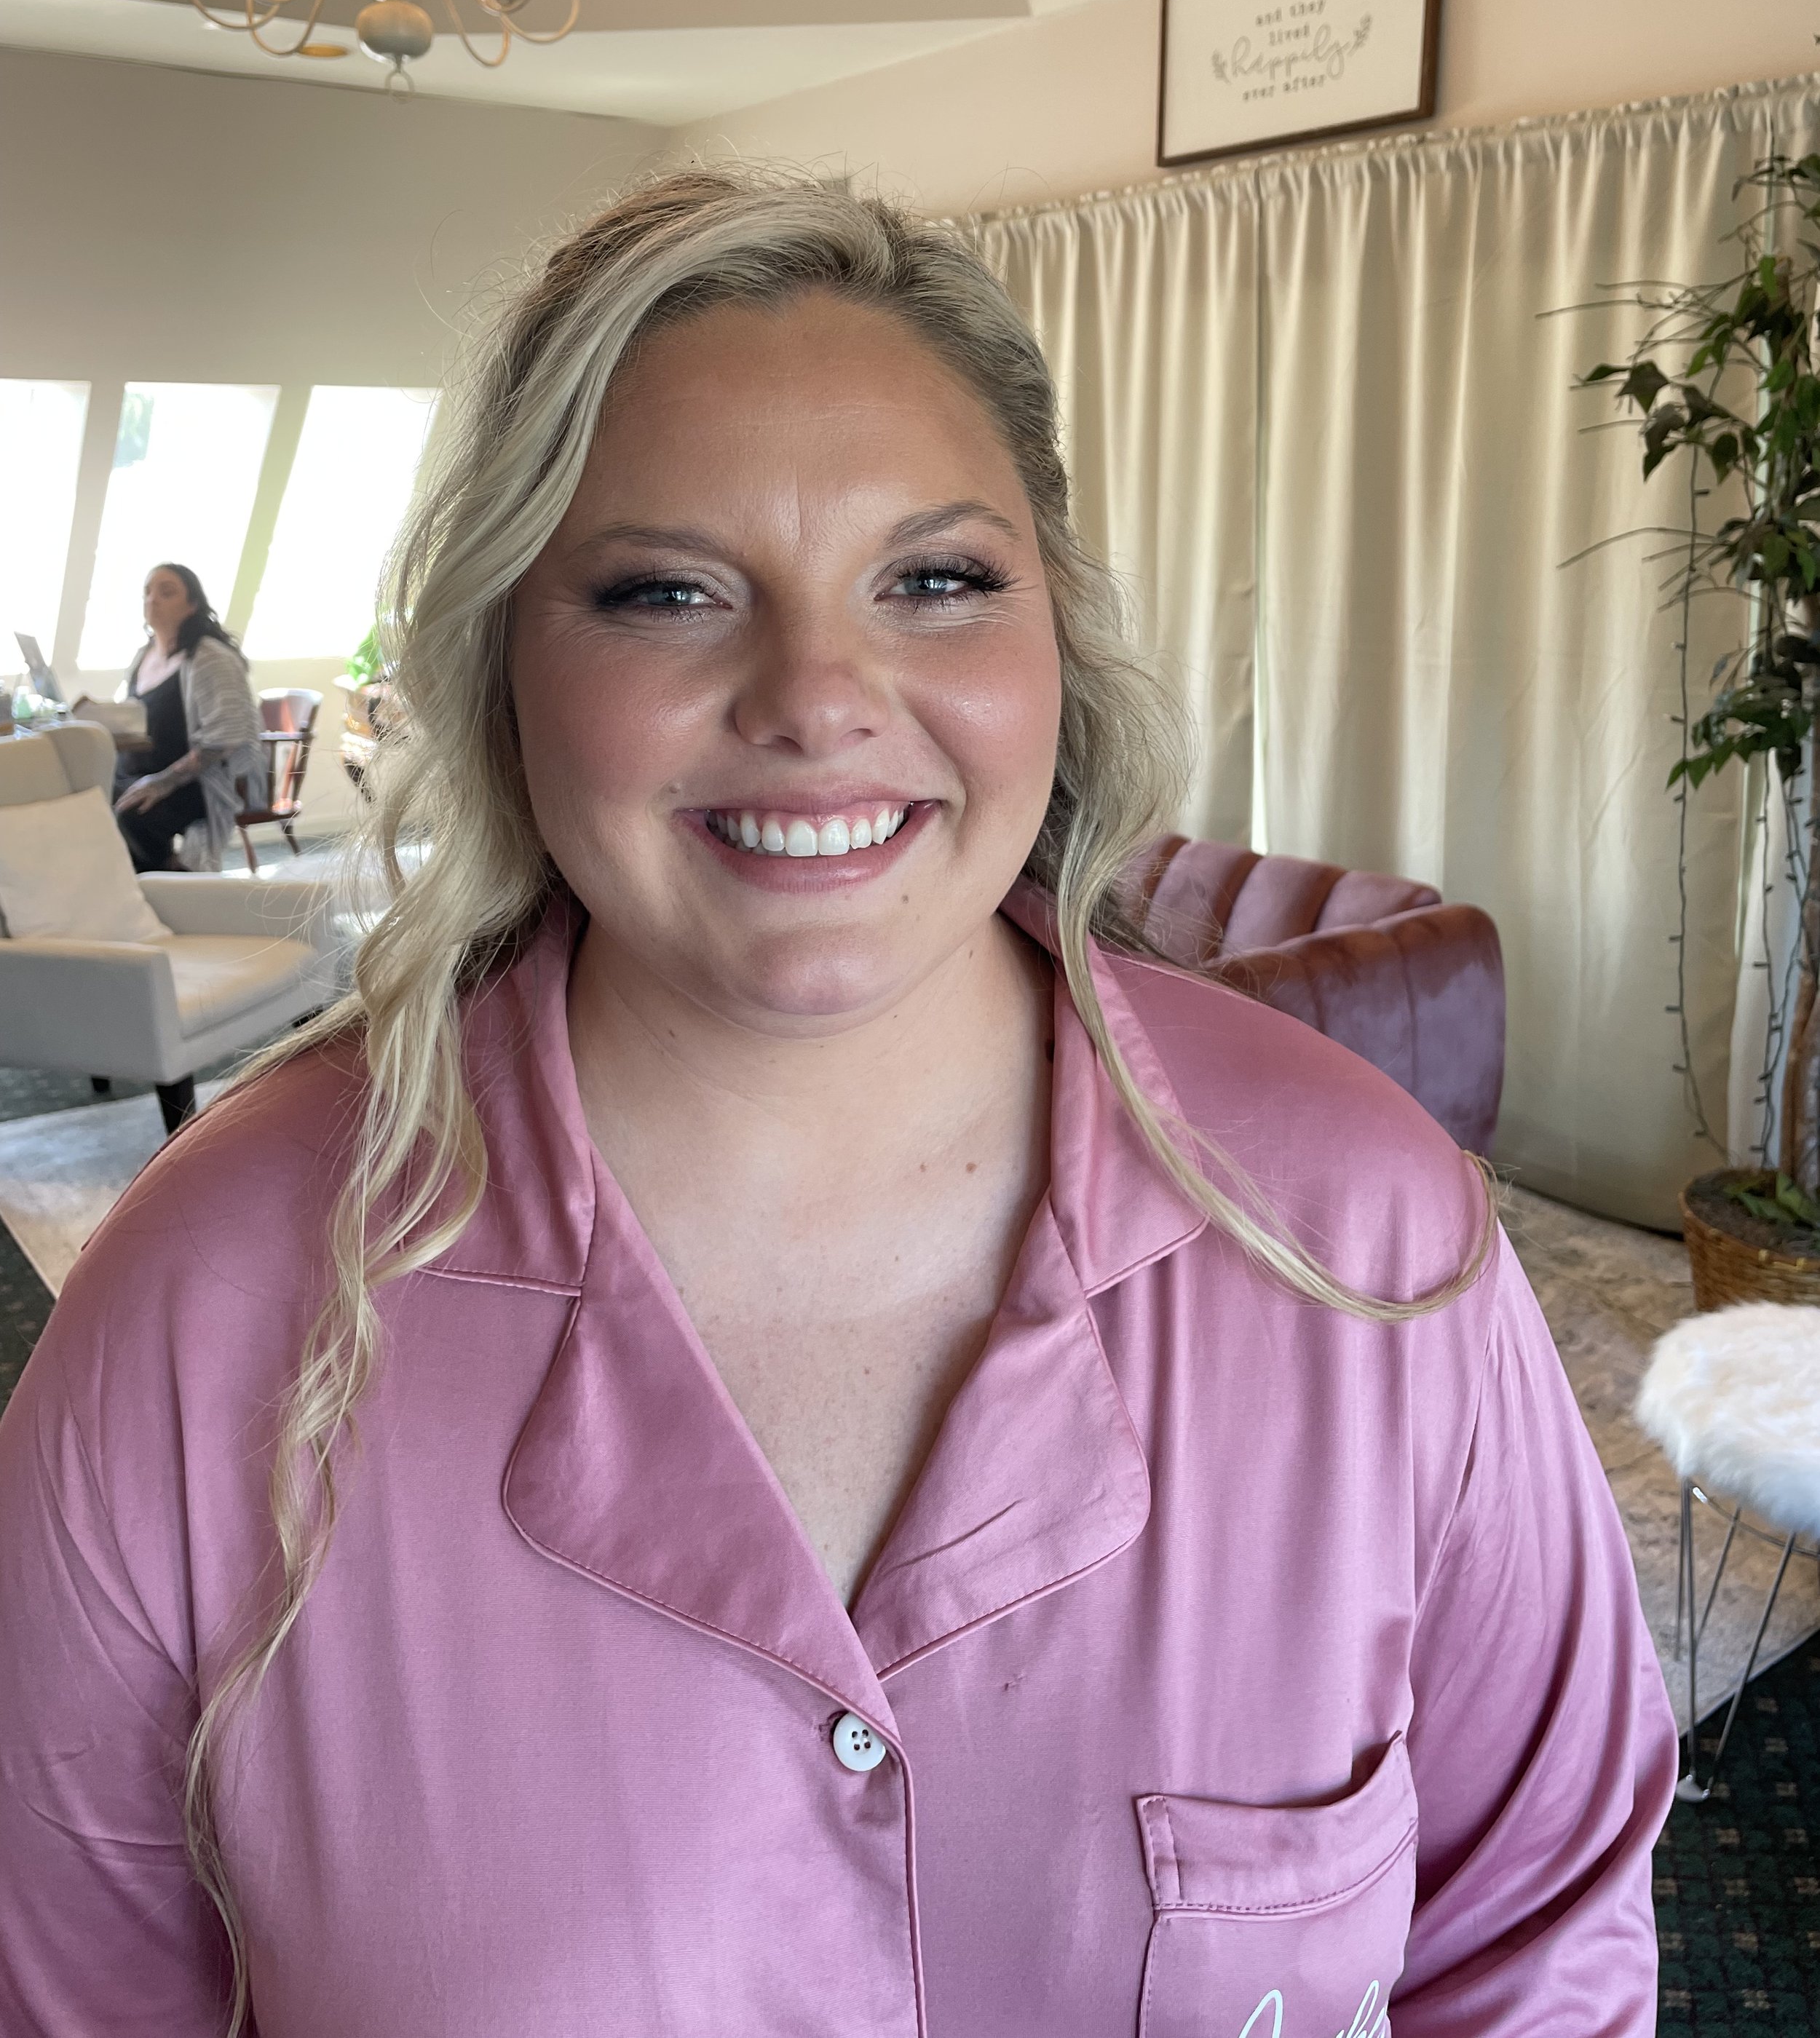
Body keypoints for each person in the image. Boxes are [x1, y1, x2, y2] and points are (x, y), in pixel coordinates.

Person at [0, 175, 1676, 2036]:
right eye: (665, 592)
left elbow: (1540, 1946)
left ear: (1055, 634)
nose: (815, 695)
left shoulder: (1366, 1236)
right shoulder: (201, 1317)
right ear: (504, 669)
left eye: (934, 580)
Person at [111, 563, 266, 872]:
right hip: (143, 771)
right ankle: (139, 886)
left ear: (193, 604)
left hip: (198, 781)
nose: (153, 600)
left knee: (133, 818)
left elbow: (224, 740)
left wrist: (161, 783)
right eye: (148, 592)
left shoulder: (211, 658)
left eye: (166, 592)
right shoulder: (145, 653)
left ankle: (173, 883)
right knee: (92, 796)